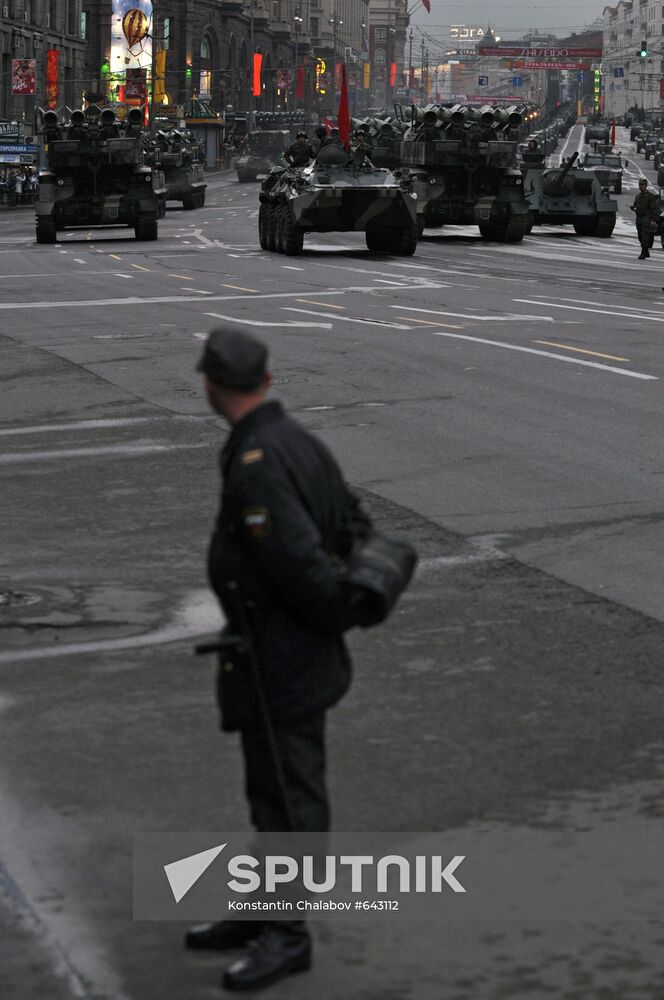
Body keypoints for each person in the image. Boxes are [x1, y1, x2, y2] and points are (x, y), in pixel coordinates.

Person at [187, 325, 372, 991]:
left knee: (289, 801)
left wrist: (320, 623)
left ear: (211, 385)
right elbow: (358, 526)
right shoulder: (298, 441)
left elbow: (301, 565)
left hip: (281, 657)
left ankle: (287, 936)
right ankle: (263, 909)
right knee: (271, 791)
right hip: (288, 652)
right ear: (265, 381)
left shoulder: (260, 458)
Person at [631, 177, 660, 259]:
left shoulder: (651, 196)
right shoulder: (638, 196)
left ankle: (643, 253)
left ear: (646, 185)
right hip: (639, 218)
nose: (641, 186)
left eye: (642, 185)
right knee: (640, 236)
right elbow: (636, 205)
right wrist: (633, 208)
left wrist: (653, 220)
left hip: (646, 218)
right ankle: (646, 251)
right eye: (639, 184)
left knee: (645, 236)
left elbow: (654, 209)